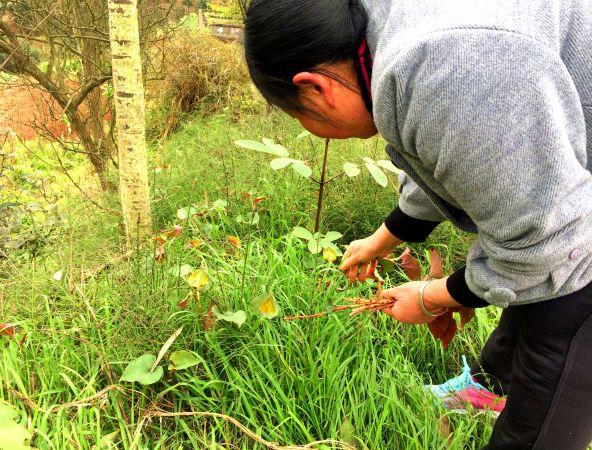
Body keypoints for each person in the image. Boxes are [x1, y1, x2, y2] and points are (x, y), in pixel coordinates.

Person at [243, 0, 592, 448]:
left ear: (314, 87)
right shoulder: (394, 32)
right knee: (532, 296)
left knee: (565, 314)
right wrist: (383, 238)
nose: (311, 128)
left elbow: (552, 243)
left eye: (299, 116)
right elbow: (454, 154)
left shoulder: (447, 67)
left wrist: (432, 296)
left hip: (574, 237)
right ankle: (489, 389)